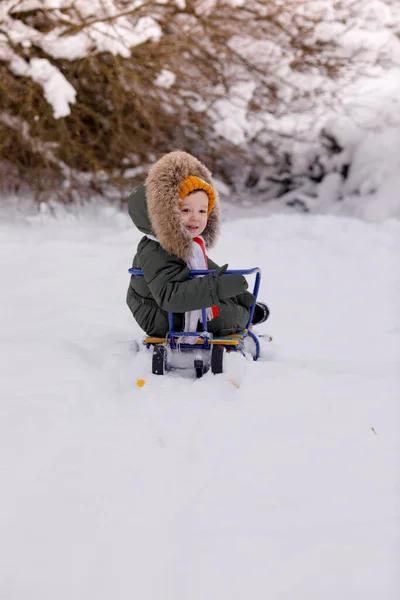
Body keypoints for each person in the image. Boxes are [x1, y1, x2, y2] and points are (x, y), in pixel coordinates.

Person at [126, 150, 269, 339]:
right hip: (159, 315)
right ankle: (247, 318)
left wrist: (242, 297)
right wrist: (219, 288)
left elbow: (208, 271)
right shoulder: (156, 249)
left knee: (227, 305)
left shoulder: (187, 245)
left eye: (203, 211)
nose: (195, 217)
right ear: (164, 213)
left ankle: (248, 311)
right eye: (185, 210)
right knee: (228, 316)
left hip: (173, 309)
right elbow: (169, 295)